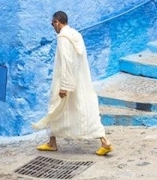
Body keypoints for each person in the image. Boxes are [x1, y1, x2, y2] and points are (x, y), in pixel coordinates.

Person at [32, 11, 113, 156]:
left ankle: (52, 143)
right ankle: (104, 141)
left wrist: (64, 86)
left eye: (52, 24)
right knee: (85, 110)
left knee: (54, 106)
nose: (53, 27)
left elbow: (66, 62)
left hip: (66, 81)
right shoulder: (76, 35)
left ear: (57, 22)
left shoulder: (63, 38)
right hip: (80, 82)